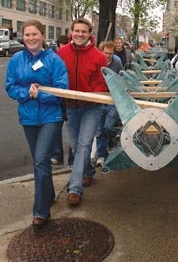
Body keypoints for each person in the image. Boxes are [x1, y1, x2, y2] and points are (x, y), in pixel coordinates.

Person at [5, 20, 68, 228]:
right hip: (28, 117)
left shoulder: (54, 60)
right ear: (22, 37)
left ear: (42, 36)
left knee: (41, 160)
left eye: (34, 34)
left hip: (51, 117)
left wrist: (39, 94)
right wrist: (27, 94)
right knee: (38, 161)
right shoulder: (16, 60)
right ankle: (48, 194)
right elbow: (10, 86)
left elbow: (61, 90)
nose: (30, 38)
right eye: (27, 35)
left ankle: (40, 211)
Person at [58, 18, 108, 206]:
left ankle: (74, 189)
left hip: (91, 108)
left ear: (90, 34)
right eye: (76, 31)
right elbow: (56, 76)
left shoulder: (99, 56)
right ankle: (87, 171)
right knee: (74, 145)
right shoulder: (62, 53)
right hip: (71, 106)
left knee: (84, 144)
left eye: (83, 31)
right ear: (71, 32)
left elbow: (102, 83)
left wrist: (91, 95)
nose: (80, 34)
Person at [92, 41, 123, 167]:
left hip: (112, 98)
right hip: (99, 98)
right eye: (105, 53)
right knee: (99, 130)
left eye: (110, 54)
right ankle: (101, 155)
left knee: (108, 126)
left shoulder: (117, 62)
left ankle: (111, 141)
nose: (108, 56)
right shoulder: (96, 60)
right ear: (101, 51)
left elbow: (121, 77)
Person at [50, 35, 70, 165]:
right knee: (56, 128)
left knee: (74, 129)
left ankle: (73, 158)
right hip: (58, 99)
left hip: (71, 97)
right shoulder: (54, 59)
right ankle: (57, 155)